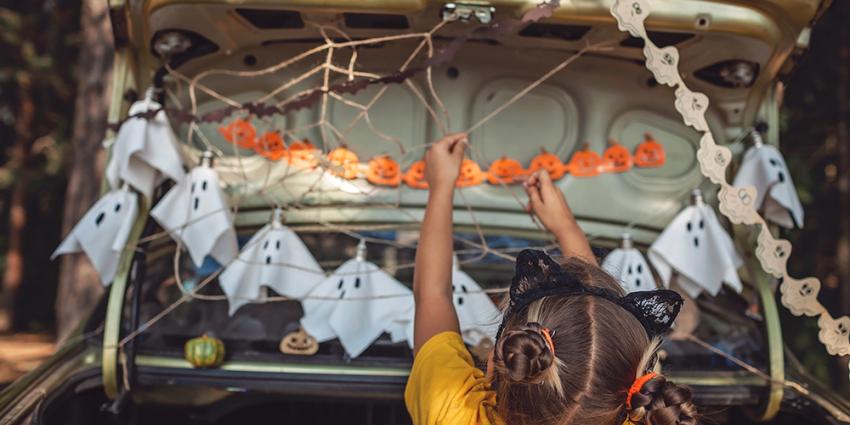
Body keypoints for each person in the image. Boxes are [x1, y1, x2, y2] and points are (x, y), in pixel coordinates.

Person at [405, 133, 697, 425]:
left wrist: (441, 186)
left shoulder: (452, 411)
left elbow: (432, 295)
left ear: (498, 360)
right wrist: (566, 228)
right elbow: (433, 295)